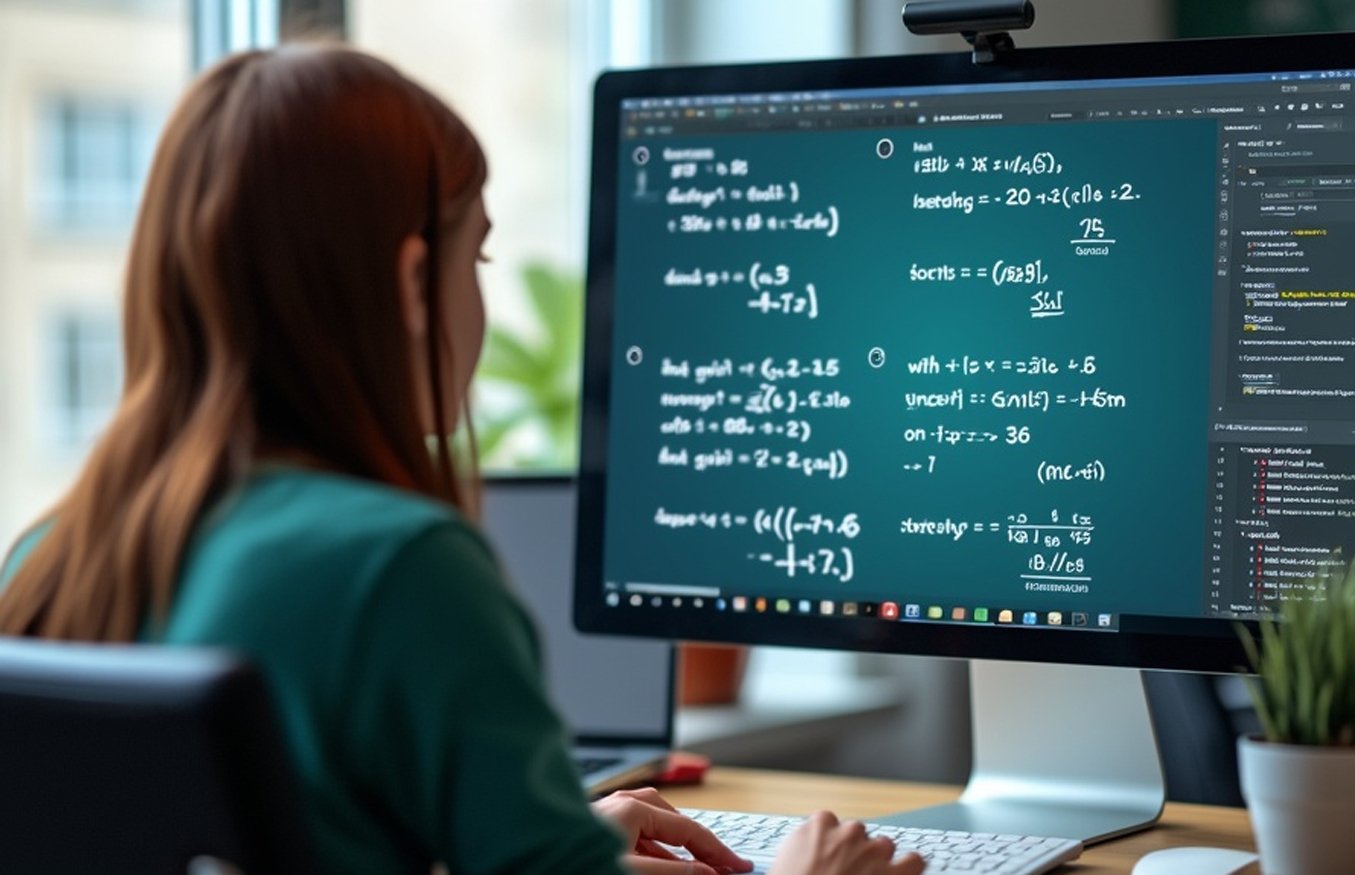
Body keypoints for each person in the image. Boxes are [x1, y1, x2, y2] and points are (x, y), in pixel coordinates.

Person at [0, 44, 924, 875]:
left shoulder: (48, 556)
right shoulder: (399, 567)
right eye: (475, 257)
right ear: (410, 282)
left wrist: (548, 838)